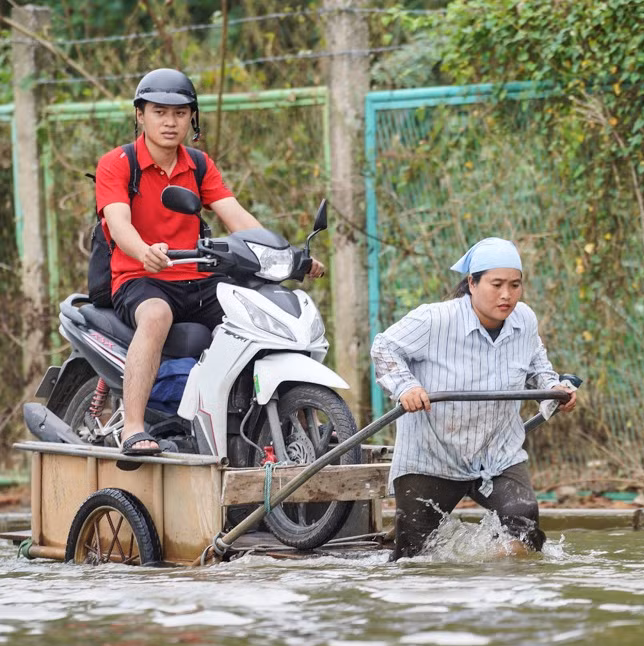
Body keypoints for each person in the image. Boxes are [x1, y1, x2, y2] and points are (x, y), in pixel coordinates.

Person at [96, 68, 325, 454]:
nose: (170, 122)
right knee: (155, 316)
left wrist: (288, 256)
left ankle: (291, 422)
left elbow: (236, 218)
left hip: (197, 277)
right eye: (159, 112)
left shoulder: (198, 165)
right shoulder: (118, 163)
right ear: (140, 115)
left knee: (260, 314)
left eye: (181, 113)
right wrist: (143, 251)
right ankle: (133, 428)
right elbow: (118, 222)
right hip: (141, 276)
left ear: (192, 118)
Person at [370, 237, 578, 560]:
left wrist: (557, 391)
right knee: (412, 558)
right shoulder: (435, 320)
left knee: (525, 527)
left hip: (497, 454)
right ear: (472, 282)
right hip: (432, 454)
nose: (506, 295)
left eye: (515, 285)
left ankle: (495, 589)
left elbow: (540, 370)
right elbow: (383, 347)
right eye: (496, 284)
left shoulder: (524, 322)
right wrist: (406, 387)